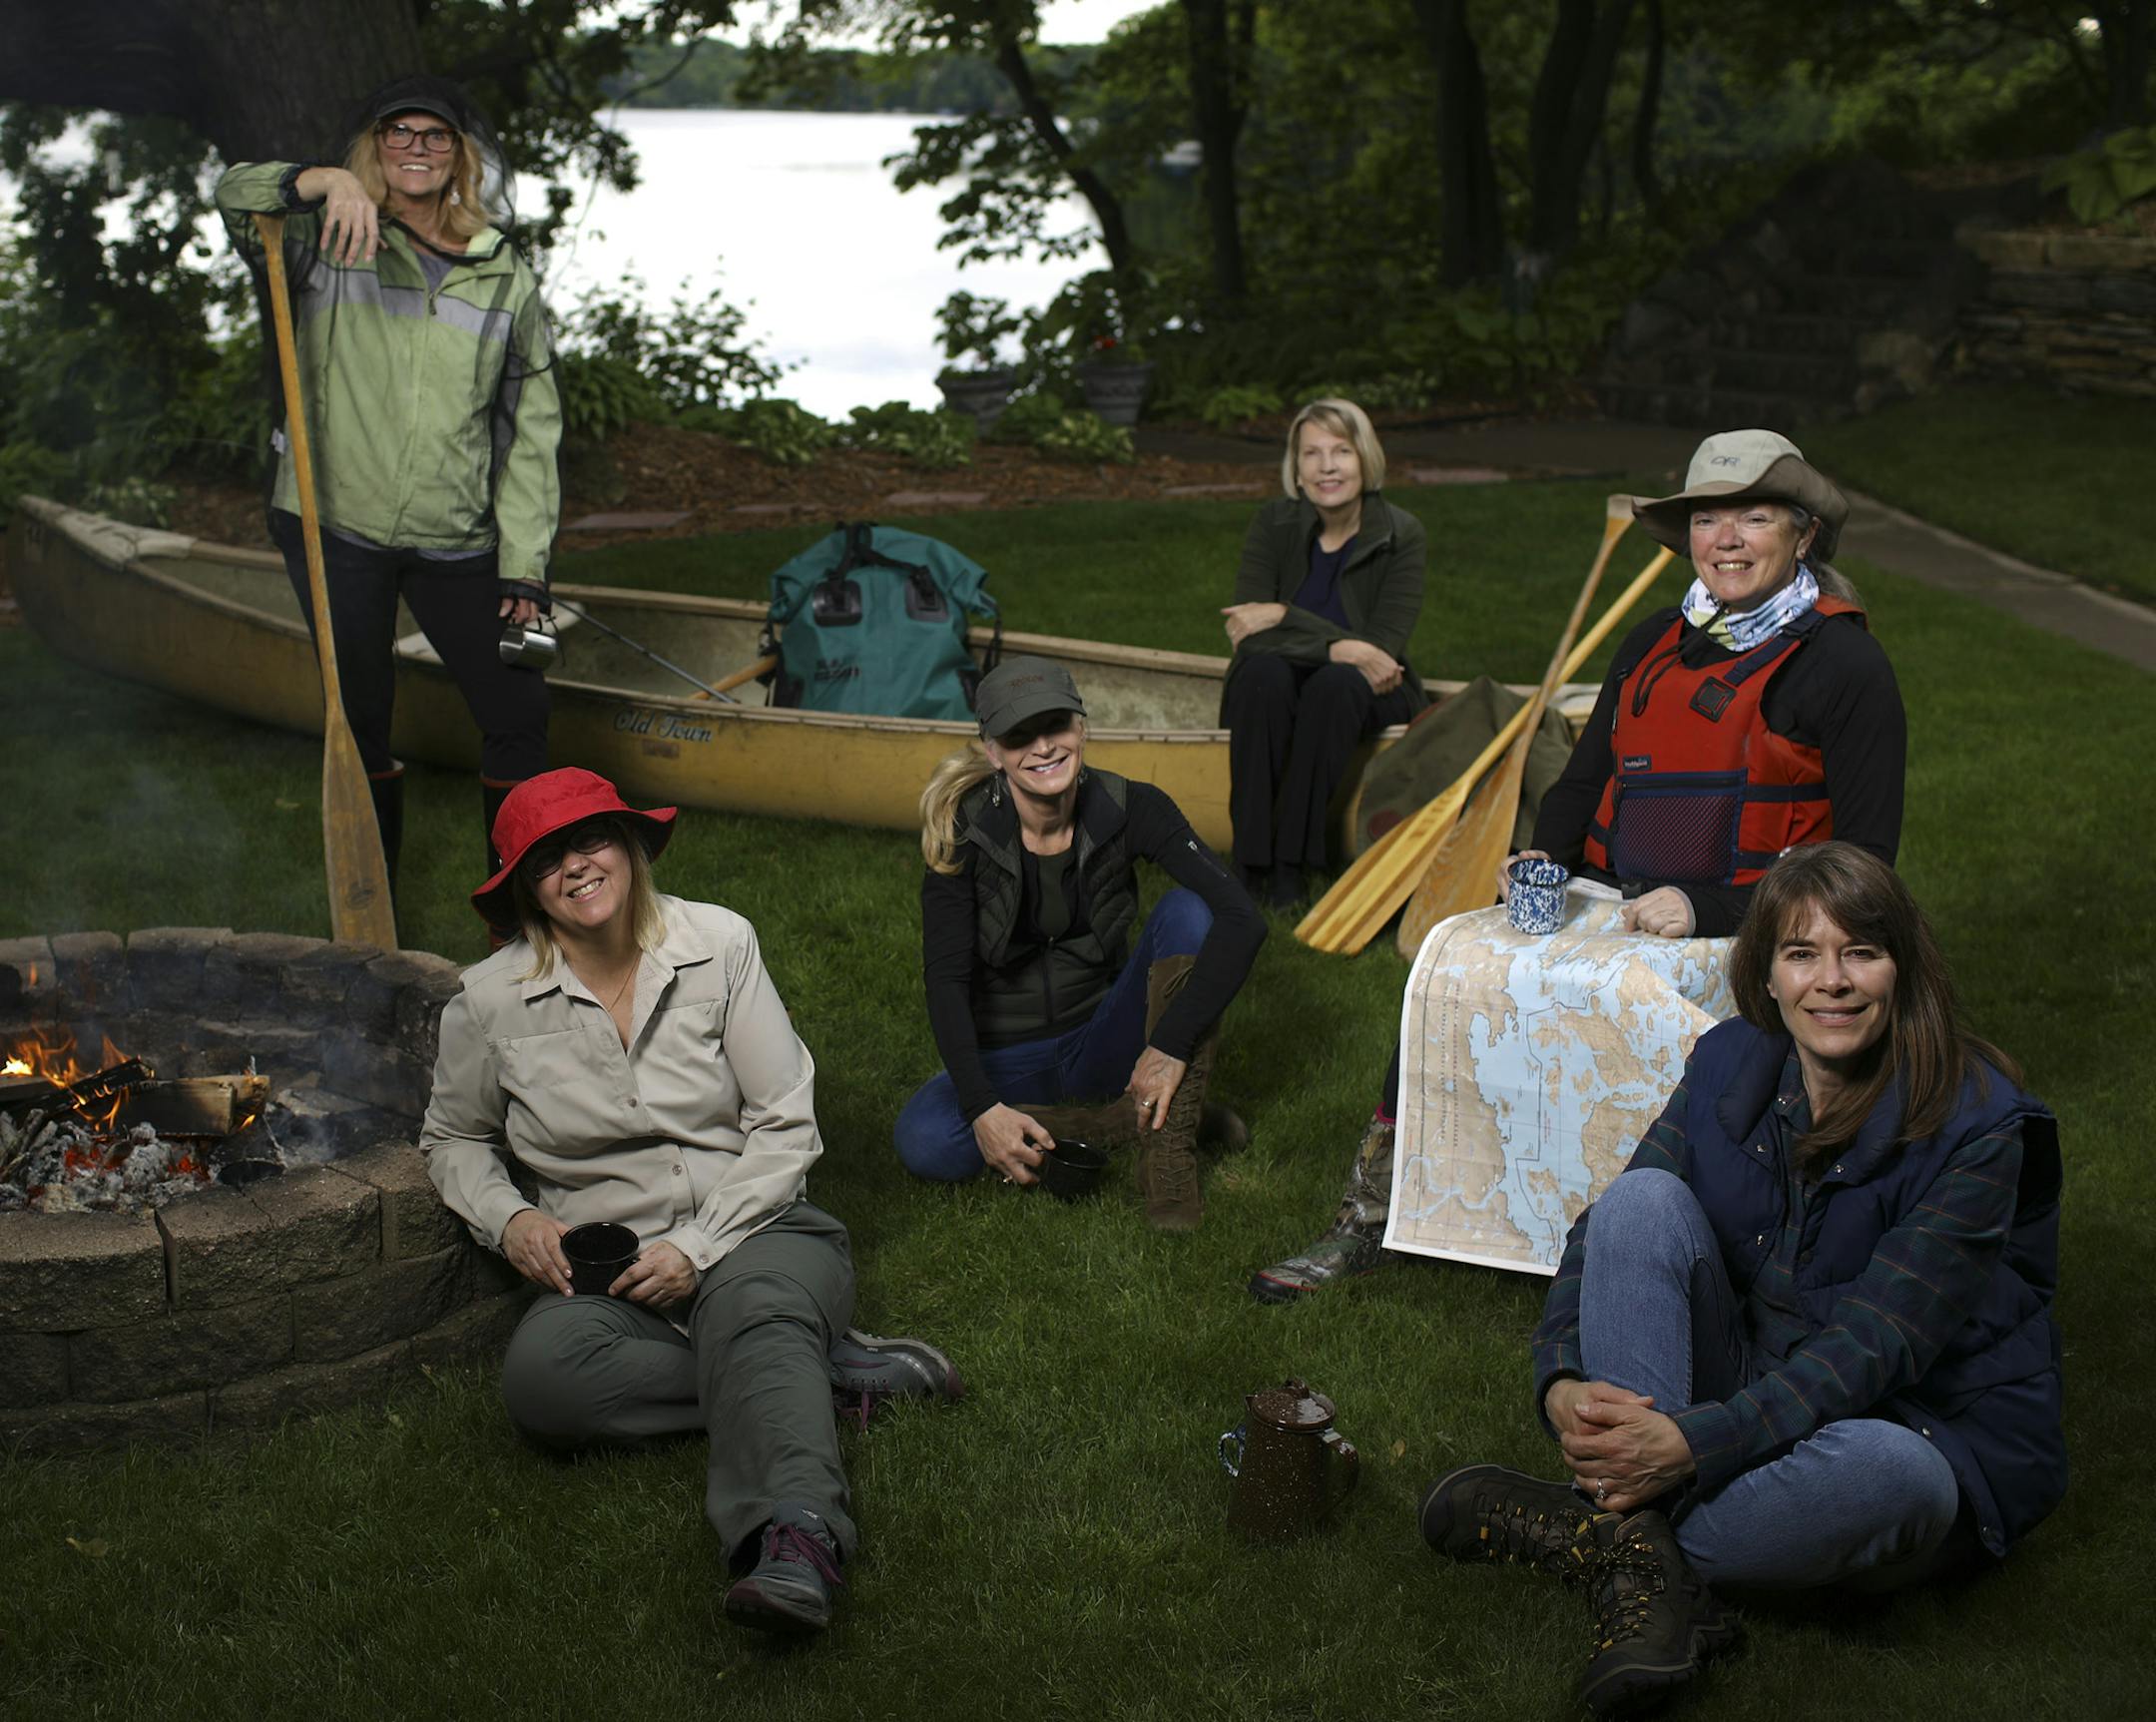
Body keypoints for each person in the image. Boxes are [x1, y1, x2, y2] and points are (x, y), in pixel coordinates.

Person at [1251, 427, 1906, 1303]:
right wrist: (1542, 858)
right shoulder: (1652, 640)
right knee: (1454, 971)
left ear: (1803, 535)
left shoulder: (1846, 663)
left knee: (1629, 1000)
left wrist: (1711, 905)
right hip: (1616, 902)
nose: (1731, 539)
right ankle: (1377, 1215)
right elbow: (1588, 773)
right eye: (1710, 519)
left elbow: (1865, 863)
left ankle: (1650, 1243)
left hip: (1764, 924)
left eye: (1757, 516)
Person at [1415, 843, 2063, 1716]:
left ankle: (1604, 1537)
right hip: (1765, 1373)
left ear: (1903, 967)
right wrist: (1561, 1374)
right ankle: (1648, 1552)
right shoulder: (1730, 1060)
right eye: (1802, 954)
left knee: (1899, 1477)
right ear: (1765, 974)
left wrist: (1686, 1445)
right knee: (1643, 1201)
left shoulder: (1977, 1123)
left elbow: (1874, 1350)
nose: (1830, 981)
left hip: (1917, 1421)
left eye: (1860, 953)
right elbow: (1600, 1226)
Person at [418, 768, 963, 1635]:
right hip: (610, 1271)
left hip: (756, 1227)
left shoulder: (720, 942)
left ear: (629, 846)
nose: (577, 866)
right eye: (548, 857)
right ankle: (808, 1370)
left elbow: (786, 1124)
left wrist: (700, 1248)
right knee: (541, 1383)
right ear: (526, 884)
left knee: (753, 1308)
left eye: (591, 839)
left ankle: (795, 1540)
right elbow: (452, 1139)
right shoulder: (488, 1001)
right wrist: (512, 1217)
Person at [215, 75, 562, 921]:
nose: (416, 147)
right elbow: (234, 193)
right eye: (398, 132)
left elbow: (532, 434)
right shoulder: (324, 237)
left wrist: (525, 568)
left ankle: (514, 926)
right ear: (374, 145)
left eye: (435, 135)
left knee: (520, 704)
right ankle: (376, 924)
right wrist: (322, 180)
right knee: (362, 714)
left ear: (460, 155)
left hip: (458, 536)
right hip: (336, 522)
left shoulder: (503, 270)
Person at [895, 657, 1267, 1229]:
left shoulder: (1133, 806)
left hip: (1107, 1038)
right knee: (925, 1140)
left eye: (1055, 727)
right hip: (1008, 1059)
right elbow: (945, 980)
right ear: (994, 751)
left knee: (1192, 912)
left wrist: (1168, 1046)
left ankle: (1166, 1138)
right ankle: (1136, 1119)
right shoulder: (962, 832)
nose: (1043, 747)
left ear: (1082, 728)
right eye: (1020, 735)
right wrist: (980, 1107)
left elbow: (1242, 918)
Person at [1220, 398, 1428, 909]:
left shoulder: (1401, 533)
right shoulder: (1275, 523)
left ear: (1365, 458)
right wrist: (1337, 644)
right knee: (1261, 675)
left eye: (1341, 450)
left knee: (1332, 686)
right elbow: (1248, 631)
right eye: (1311, 453)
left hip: (1370, 689)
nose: (1327, 466)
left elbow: (1380, 651)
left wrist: (1283, 617)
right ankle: (1249, 860)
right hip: (1280, 678)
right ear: (1297, 467)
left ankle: (1291, 862)